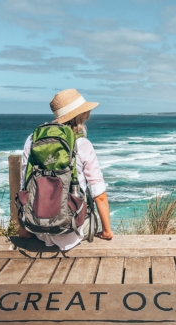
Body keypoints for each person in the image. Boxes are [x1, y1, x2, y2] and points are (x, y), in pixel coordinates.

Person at [18, 88, 113, 249]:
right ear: (81, 115)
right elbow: (99, 193)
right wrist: (107, 232)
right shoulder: (82, 144)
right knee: (90, 217)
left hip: (37, 228)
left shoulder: (32, 140)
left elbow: (24, 185)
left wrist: (24, 228)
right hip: (73, 230)